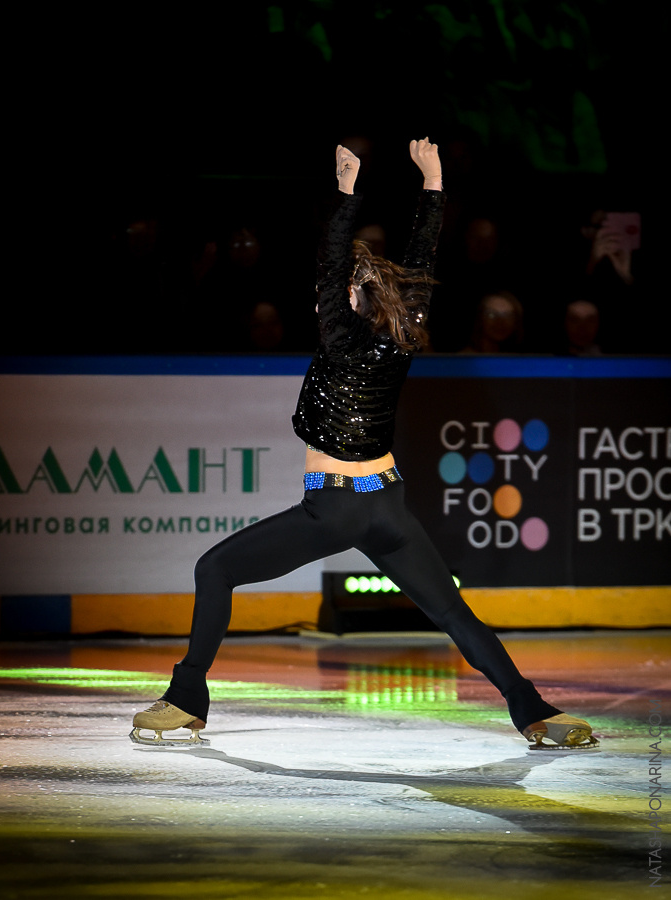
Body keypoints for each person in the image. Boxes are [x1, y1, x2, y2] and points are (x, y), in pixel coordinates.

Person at [130, 139, 597, 752]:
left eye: (341, 289)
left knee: (213, 568)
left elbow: (330, 263)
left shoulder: (342, 339)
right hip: (389, 508)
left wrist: (347, 192)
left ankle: (187, 699)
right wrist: (432, 184)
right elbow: (422, 262)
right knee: (454, 614)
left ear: (350, 298)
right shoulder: (401, 340)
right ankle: (534, 711)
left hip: (337, 506)